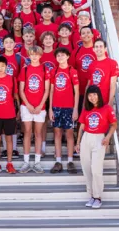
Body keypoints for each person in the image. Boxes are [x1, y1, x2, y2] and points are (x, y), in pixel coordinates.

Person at [76, 85, 117, 209]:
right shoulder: (86, 109)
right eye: (89, 95)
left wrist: (108, 137)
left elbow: (114, 125)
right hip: (86, 138)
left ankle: (98, 197)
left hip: (99, 139)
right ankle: (92, 196)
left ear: (99, 95)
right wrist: (78, 142)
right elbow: (81, 127)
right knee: (87, 169)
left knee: (96, 170)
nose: (92, 97)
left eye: (94, 94)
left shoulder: (106, 108)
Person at [18, 46, 50, 174]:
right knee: (27, 132)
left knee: (38, 134)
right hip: (27, 106)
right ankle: (26, 161)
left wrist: (40, 105)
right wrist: (28, 105)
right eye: (32, 54)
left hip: (40, 107)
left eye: (36, 54)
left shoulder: (44, 69)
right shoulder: (25, 70)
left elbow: (47, 89)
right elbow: (21, 89)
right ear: (29, 56)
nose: (34, 57)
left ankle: (37, 162)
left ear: (40, 55)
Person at [49, 47, 79, 175]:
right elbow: (51, 90)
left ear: (67, 56)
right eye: (58, 56)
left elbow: (77, 91)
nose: (60, 57)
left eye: (62, 55)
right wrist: (50, 108)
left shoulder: (72, 71)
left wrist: (75, 109)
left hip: (69, 107)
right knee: (57, 133)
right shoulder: (54, 71)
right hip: (56, 107)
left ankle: (70, 161)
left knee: (69, 134)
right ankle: (59, 161)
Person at [0, 55, 19, 174]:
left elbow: (15, 96)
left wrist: (18, 111)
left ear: (6, 67)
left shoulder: (11, 79)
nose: (0, 68)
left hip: (9, 114)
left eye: (3, 66)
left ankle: (9, 163)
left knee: (9, 139)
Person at [87, 39, 119, 105]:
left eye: (101, 46)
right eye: (96, 47)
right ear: (93, 49)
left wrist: (110, 102)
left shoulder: (112, 63)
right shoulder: (91, 64)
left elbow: (112, 84)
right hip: (92, 101)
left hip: (104, 101)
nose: (98, 49)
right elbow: (89, 84)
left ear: (105, 49)